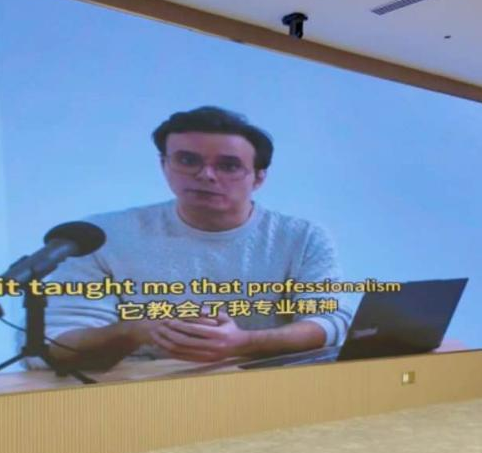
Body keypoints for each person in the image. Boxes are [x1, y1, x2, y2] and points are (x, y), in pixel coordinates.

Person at [35, 106, 355, 371]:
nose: (206, 175)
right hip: (135, 394)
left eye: (228, 165)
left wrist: (244, 342)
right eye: (188, 161)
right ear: (164, 165)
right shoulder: (99, 236)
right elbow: (58, 341)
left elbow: (329, 321)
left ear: (259, 178)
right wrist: (139, 330)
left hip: (263, 388)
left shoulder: (302, 237)